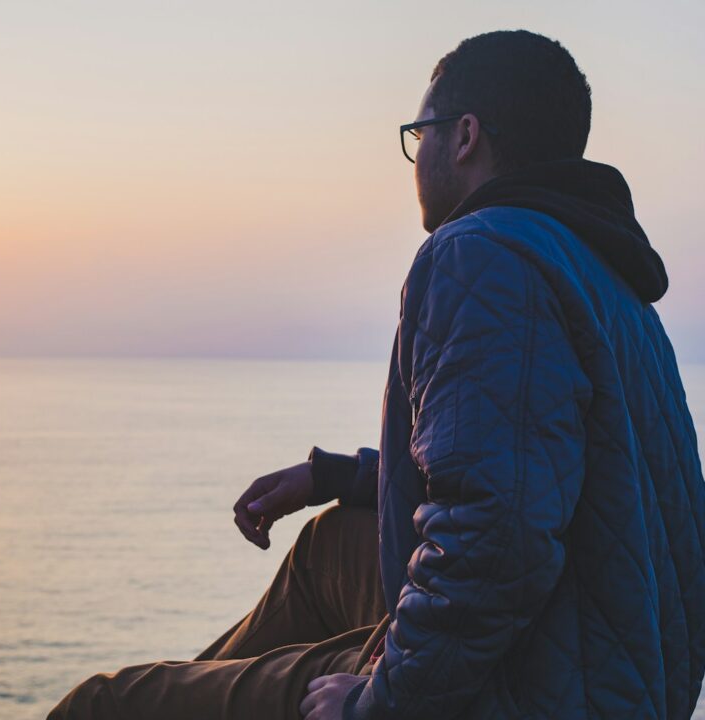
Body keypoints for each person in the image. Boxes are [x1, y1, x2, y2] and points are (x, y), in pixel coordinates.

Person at [47, 29, 705, 719]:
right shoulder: (602, 277)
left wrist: (378, 703)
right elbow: (530, 459)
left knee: (104, 703)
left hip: (535, 687)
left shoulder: (480, 254)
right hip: (625, 662)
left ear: (464, 136)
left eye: (419, 134)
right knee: (328, 545)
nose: (415, 157)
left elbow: (497, 539)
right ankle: (207, 694)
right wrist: (336, 477)